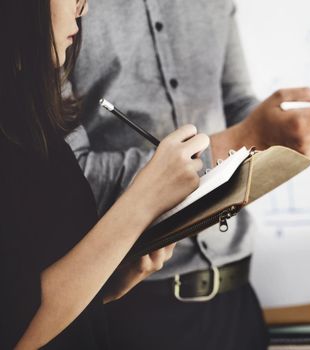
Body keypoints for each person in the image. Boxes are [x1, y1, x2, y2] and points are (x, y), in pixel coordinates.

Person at [68, 1, 310, 349]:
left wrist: (309, 129)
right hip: (127, 304)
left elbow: (238, 108)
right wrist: (248, 137)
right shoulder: (59, 13)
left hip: (236, 298)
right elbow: (71, 175)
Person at [0, 0, 209, 349]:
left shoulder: (28, 117)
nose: (83, 9)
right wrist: (143, 202)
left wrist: (111, 279)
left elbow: (43, 285)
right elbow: (15, 327)